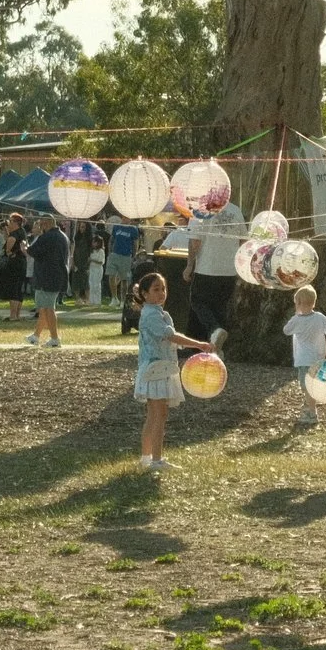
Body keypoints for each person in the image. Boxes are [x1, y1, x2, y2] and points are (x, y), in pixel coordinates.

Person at [131, 269, 219, 472]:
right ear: (144, 294)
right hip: (156, 369)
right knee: (158, 415)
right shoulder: (151, 315)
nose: (161, 293)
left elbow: (170, 338)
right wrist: (199, 344)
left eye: (163, 289)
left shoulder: (160, 313)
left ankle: (147, 458)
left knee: (154, 415)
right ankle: (156, 460)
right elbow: (170, 336)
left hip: (160, 368)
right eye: (156, 289)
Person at [181, 199, 245, 341]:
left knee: (197, 301)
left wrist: (190, 265)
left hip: (207, 267)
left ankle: (214, 329)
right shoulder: (235, 210)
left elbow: (195, 241)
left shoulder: (200, 211)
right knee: (220, 308)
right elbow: (243, 241)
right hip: (229, 270)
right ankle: (216, 346)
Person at [282, 285, 326, 428]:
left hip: (304, 359)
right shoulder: (320, 318)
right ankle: (308, 407)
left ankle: (311, 413)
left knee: (306, 386)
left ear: (298, 303)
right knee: (313, 384)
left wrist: (295, 314)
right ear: (314, 302)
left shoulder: (297, 320)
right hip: (318, 358)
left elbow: (286, 330)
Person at [27, 214, 70, 347]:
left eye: (41, 224)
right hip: (58, 275)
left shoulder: (46, 237)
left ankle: (55, 338)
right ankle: (36, 335)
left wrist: (36, 236)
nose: (40, 227)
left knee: (48, 308)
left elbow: (32, 251)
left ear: (45, 224)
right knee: (45, 308)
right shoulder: (63, 236)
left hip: (47, 276)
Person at [106, 217, 140, 312]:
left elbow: (135, 243)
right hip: (115, 254)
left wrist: (134, 255)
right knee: (111, 275)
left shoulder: (133, 229)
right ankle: (114, 298)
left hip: (126, 256)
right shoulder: (117, 227)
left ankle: (123, 300)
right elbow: (111, 239)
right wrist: (110, 252)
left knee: (124, 279)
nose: (126, 219)